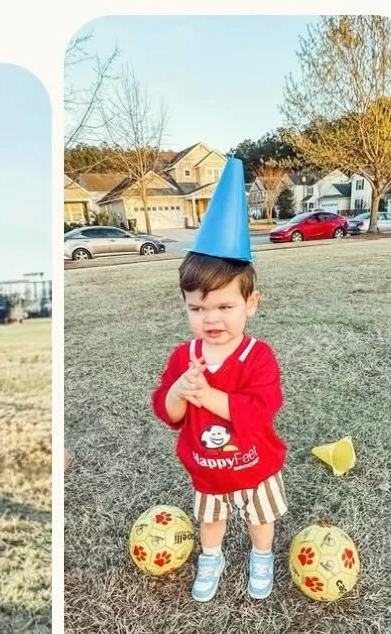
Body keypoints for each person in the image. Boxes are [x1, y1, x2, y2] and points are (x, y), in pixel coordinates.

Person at [151, 158, 288, 602]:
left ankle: (261, 555)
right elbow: (168, 413)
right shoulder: (184, 357)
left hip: (255, 465)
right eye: (197, 308)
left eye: (225, 307)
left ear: (252, 303)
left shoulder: (257, 356)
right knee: (211, 518)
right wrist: (178, 391)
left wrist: (208, 395)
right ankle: (212, 557)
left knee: (260, 517)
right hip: (206, 469)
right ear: (185, 305)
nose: (210, 319)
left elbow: (260, 411)